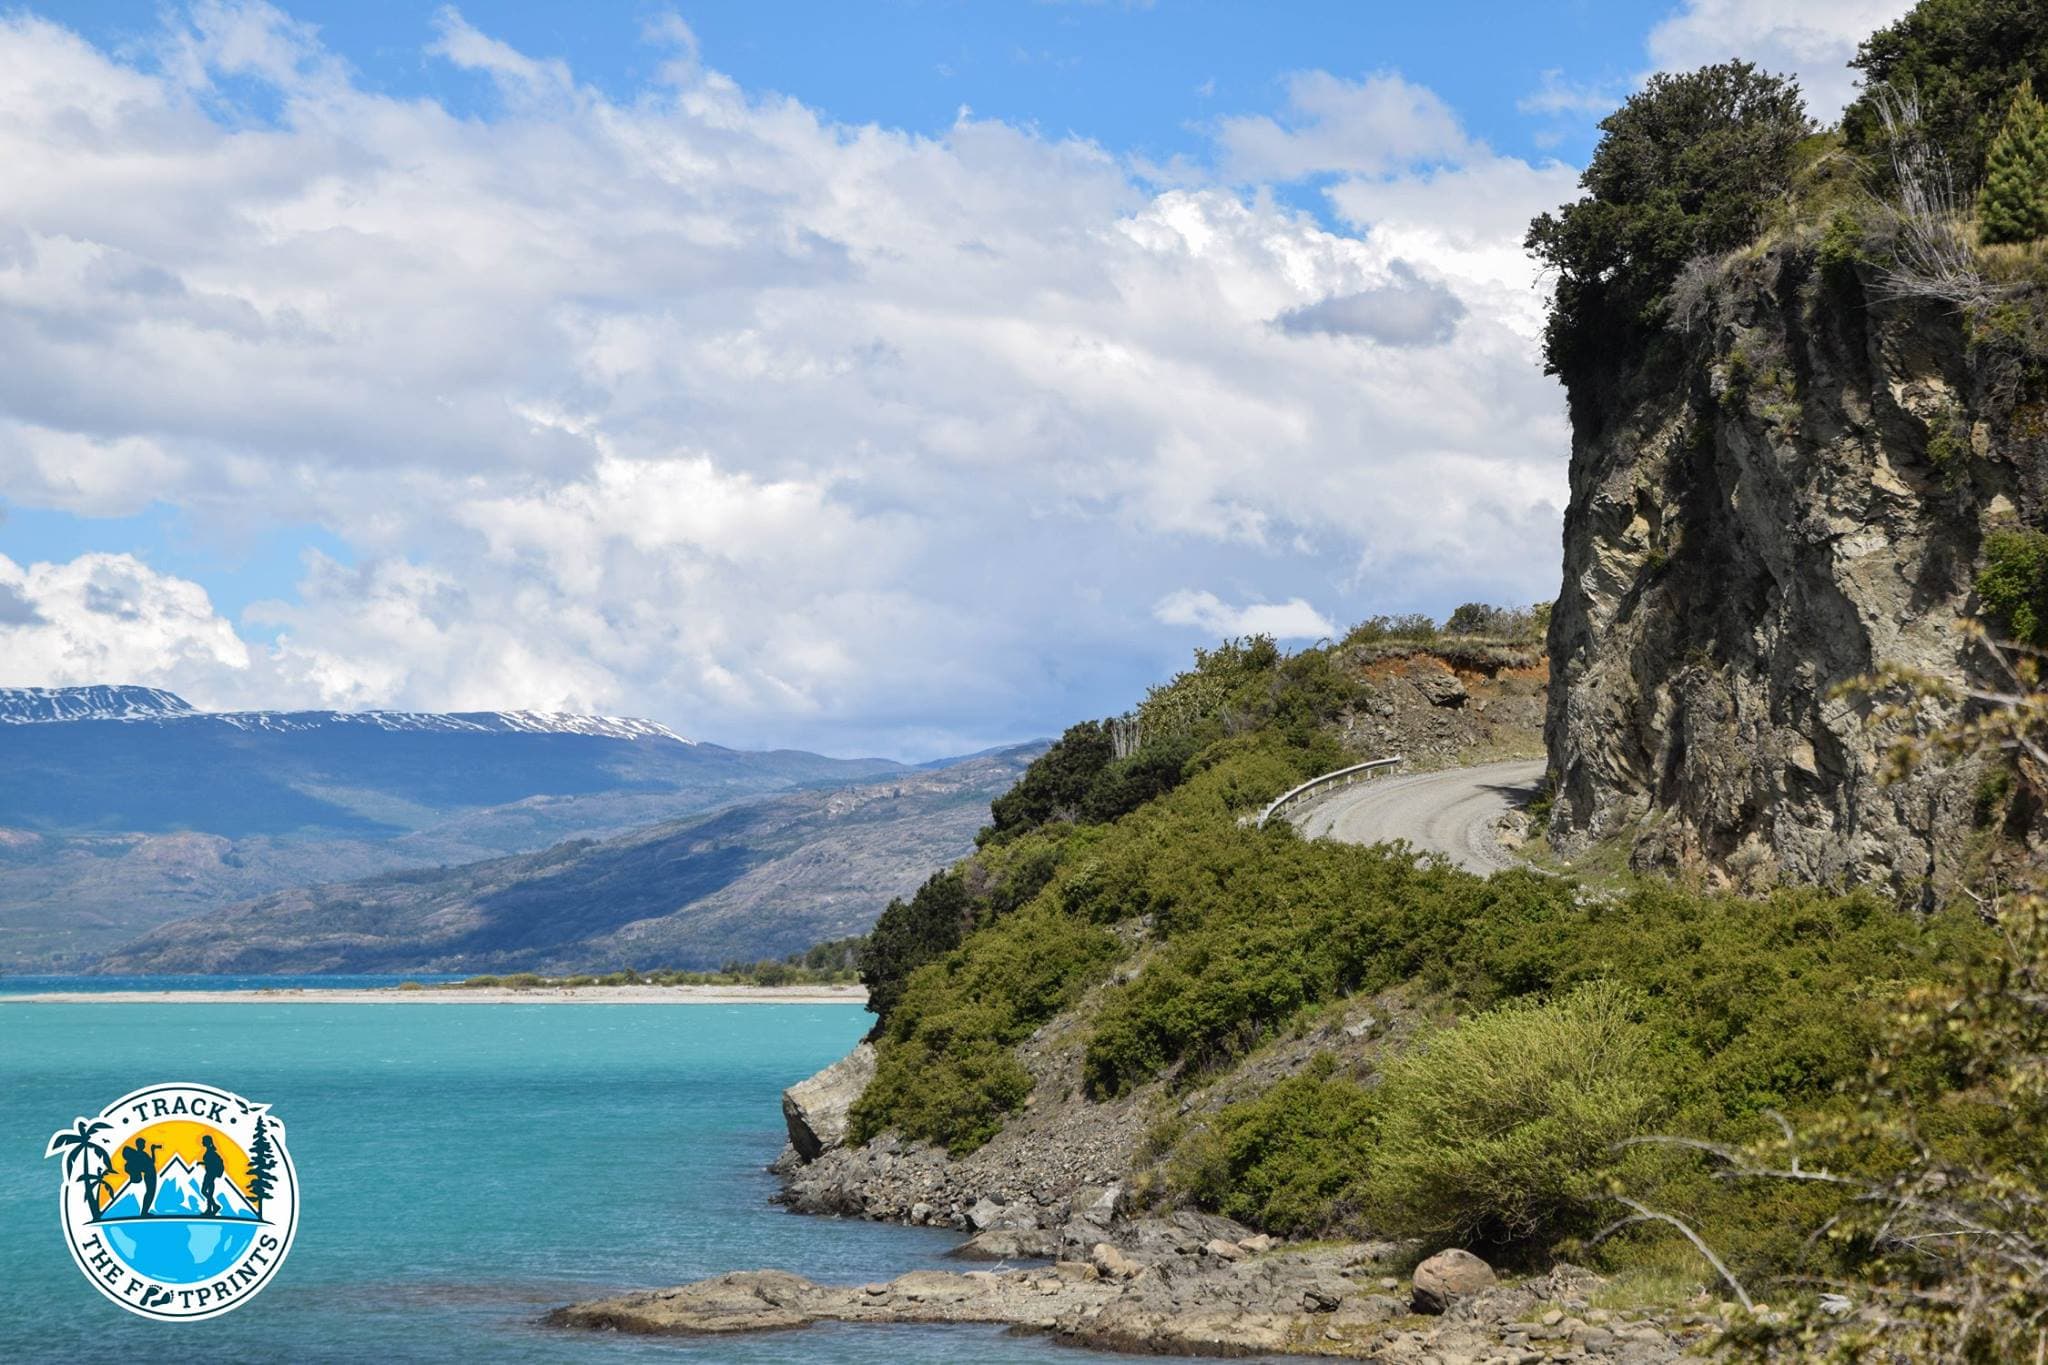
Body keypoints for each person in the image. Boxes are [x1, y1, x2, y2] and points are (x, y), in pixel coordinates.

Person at [120, 1137, 159, 1218]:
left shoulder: (141, 1154)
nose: (144, 1145)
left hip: (151, 1174)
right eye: (143, 1144)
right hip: (150, 1175)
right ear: (139, 1145)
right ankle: (144, 1213)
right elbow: (149, 1164)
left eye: (144, 1144)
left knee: (150, 1193)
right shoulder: (139, 1155)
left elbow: (151, 1162)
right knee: (150, 1193)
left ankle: (144, 1212)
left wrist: (152, 1150)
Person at [199, 1135, 227, 1217]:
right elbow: (209, 1162)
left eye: (203, 1141)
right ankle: (211, 1208)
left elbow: (211, 1163)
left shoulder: (210, 1152)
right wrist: (202, 1163)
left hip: (210, 1174)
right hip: (210, 1174)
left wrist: (203, 1163)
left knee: (204, 1191)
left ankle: (213, 1207)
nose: (202, 1142)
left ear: (207, 1142)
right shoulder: (210, 1151)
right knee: (208, 1192)